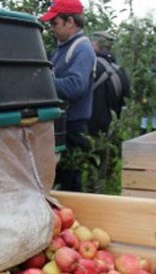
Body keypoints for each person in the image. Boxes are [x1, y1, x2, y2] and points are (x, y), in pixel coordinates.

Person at [40, 0, 95, 192]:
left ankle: (74, 221)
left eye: (55, 23)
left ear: (69, 21)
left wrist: (41, 82)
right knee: (57, 182)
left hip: (73, 129)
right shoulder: (61, 49)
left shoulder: (82, 48)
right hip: (60, 126)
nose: (51, 28)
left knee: (70, 185)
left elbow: (75, 87)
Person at [88, 30, 131, 136]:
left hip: (89, 130)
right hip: (111, 131)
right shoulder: (120, 71)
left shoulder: (89, 66)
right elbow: (126, 99)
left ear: (95, 44)